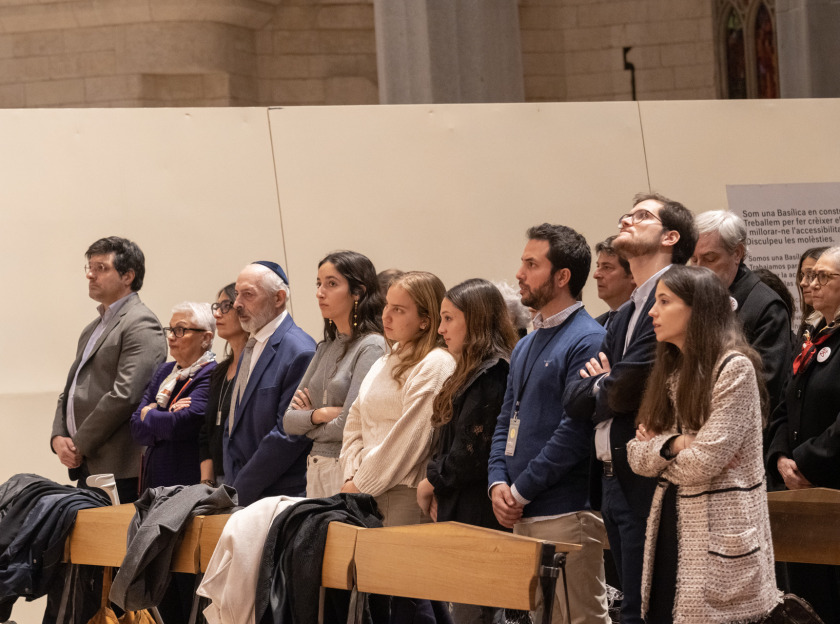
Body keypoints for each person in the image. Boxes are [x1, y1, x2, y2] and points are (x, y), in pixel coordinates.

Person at [564, 192, 697, 624]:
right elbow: (575, 396)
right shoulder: (624, 314)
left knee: (650, 609)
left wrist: (601, 382)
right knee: (630, 608)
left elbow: (623, 390)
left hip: (655, 475)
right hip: (613, 475)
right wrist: (603, 384)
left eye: (642, 216)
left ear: (670, 236)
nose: (627, 220)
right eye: (627, 214)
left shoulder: (679, 299)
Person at [627, 265, 779, 624]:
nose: (652, 311)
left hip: (718, 532)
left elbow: (702, 464)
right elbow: (636, 455)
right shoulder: (672, 368)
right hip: (670, 522)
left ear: (698, 309)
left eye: (664, 301)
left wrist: (663, 450)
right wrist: (678, 442)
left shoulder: (734, 368)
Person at [489, 224, 610, 624]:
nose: (520, 274)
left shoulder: (588, 338)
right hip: (521, 508)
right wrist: (497, 482)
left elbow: (574, 433)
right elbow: (507, 418)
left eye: (531, 264)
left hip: (565, 510)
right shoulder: (525, 343)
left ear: (562, 277)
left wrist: (520, 490)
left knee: (580, 618)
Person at [416, 278, 516, 624]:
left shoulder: (493, 374)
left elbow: (471, 455)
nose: (441, 329)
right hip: (460, 505)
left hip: (480, 513)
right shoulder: (466, 370)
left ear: (474, 320)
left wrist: (430, 482)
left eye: (449, 319)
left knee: (477, 613)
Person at [51, 236, 167, 504]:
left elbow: (125, 395)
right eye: (89, 267)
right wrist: (58, 436)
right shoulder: (92, 328)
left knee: (117, 545)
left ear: (128, 276)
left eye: (101, 268)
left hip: (120, 467)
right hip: (89, 462)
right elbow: (70, 390)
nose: (90, 275)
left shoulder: (141, 323)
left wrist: (78, 443)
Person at [340, 271, 456, 527]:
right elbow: (355, 419)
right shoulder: (386, 359)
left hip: (402, 493)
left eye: (399, 310)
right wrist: (351, 471)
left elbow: (411, 439)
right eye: (386, 306)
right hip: (362, 489)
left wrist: (361, 482)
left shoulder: (436, 363)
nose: (385, 316)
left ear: (425, 320)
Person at [767, 245, 840, 621]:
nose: (808, 283)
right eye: (807, 276)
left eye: (822, 276)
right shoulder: (815, 333)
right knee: (805, 601)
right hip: (798, 487)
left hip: (833, 486)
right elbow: (785, 403)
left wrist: (806, 461)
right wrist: (780, 457)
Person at [283, 251, 387, 498]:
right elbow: (288, 420)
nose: (320, 292)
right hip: (316, 467)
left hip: (347, 469)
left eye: (331, 284)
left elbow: (349, 426)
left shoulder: (371, 346)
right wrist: (320, 414)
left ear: (357, 292)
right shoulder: (325, 347)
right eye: (318, 284)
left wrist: (308, 423)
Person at [224, 261, 316, 506]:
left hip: (278, 494)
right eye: (236, 295)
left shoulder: (299, 350)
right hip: (242, 491)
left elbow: (289, 434)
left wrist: (241, 488)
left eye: (248, 295)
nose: (236, 304)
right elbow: (234, 423)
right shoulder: (252, 344)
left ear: (278, 298)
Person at [691, 210, 792, 414]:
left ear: (737, 253)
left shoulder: (766, 306)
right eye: (694, 260)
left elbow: (765, 387)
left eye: (710, 258)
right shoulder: (695, 300)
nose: (700, 269)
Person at [130, 302, 216, 490]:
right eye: (170, 329)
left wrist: (149, 413)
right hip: (153, 481)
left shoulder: (211, 373)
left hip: (185, 480)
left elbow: (180, 425)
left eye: (180, 330)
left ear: (205, 338)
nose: (170, 337)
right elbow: (136, 427)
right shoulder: (164, 371)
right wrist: (166, 416)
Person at [199, 283, 249, 487]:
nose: (217, 314)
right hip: (216, 481)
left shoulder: (257, 368)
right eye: (216, 307)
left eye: (225, 306)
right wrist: (206, 482)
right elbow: (206, 431)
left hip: (246, 477)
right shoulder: (219, 372)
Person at [593, 235, 635, 328]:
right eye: (598, 266)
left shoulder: (643, 322)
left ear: (633, 274)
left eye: (607, 267)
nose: (596, 275)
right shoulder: (595, 325)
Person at [794, 246, 828, 345]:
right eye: (802, 275)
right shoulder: (807, 326)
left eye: (811, 275)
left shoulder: (833, 325)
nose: (802, 283)